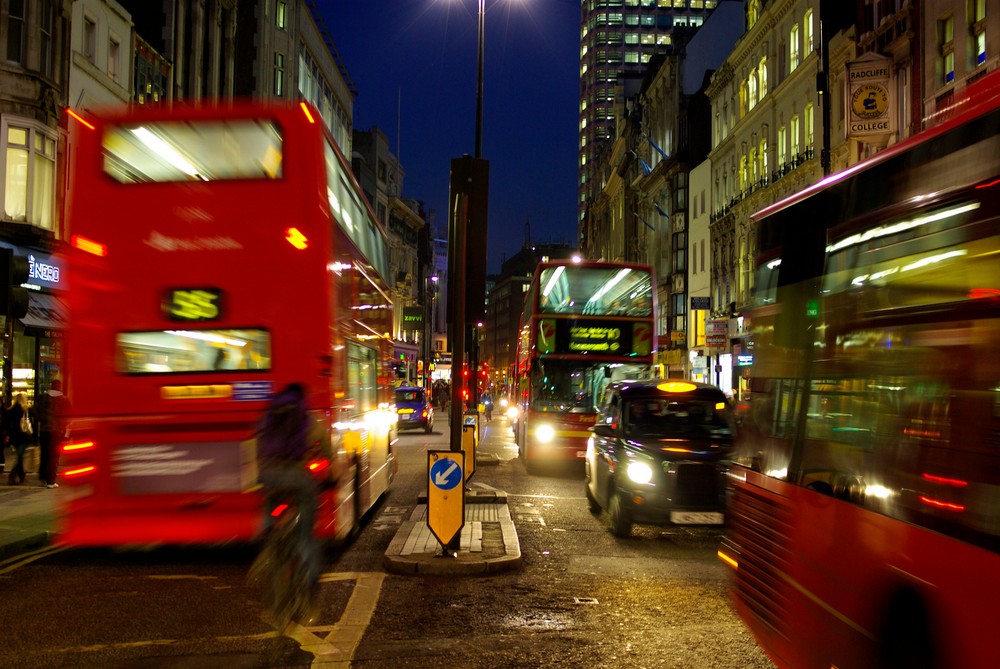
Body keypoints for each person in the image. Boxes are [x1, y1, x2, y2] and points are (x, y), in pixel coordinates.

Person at [255, 383, 335, 602]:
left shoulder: (269, 417)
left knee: (271, 502)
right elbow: (327, 451)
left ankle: (268, 534)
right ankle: (310, 579)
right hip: (299, 479)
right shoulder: (309, 420)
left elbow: (257, 443)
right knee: (306, 535)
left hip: (270, 476)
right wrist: (331, 475)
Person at [35, 380, 70, 488]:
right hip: (56, 432)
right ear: (59, 387)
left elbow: (35, 412)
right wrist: (62, 426)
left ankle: (43, 477)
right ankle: (51, 480)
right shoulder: (64, 399)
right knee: (54, 456)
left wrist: (42, 420)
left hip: (44, 430)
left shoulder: (42, 398)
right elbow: (68, 415)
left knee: (44, 454)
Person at [5, 393, 32, 485]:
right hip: (23, 437)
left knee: (19, 456)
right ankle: (13, 475)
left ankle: (21, 476)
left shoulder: (9, 411)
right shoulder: (25, 410)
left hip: (14, 437)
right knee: (20, 457)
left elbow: (6, 425)